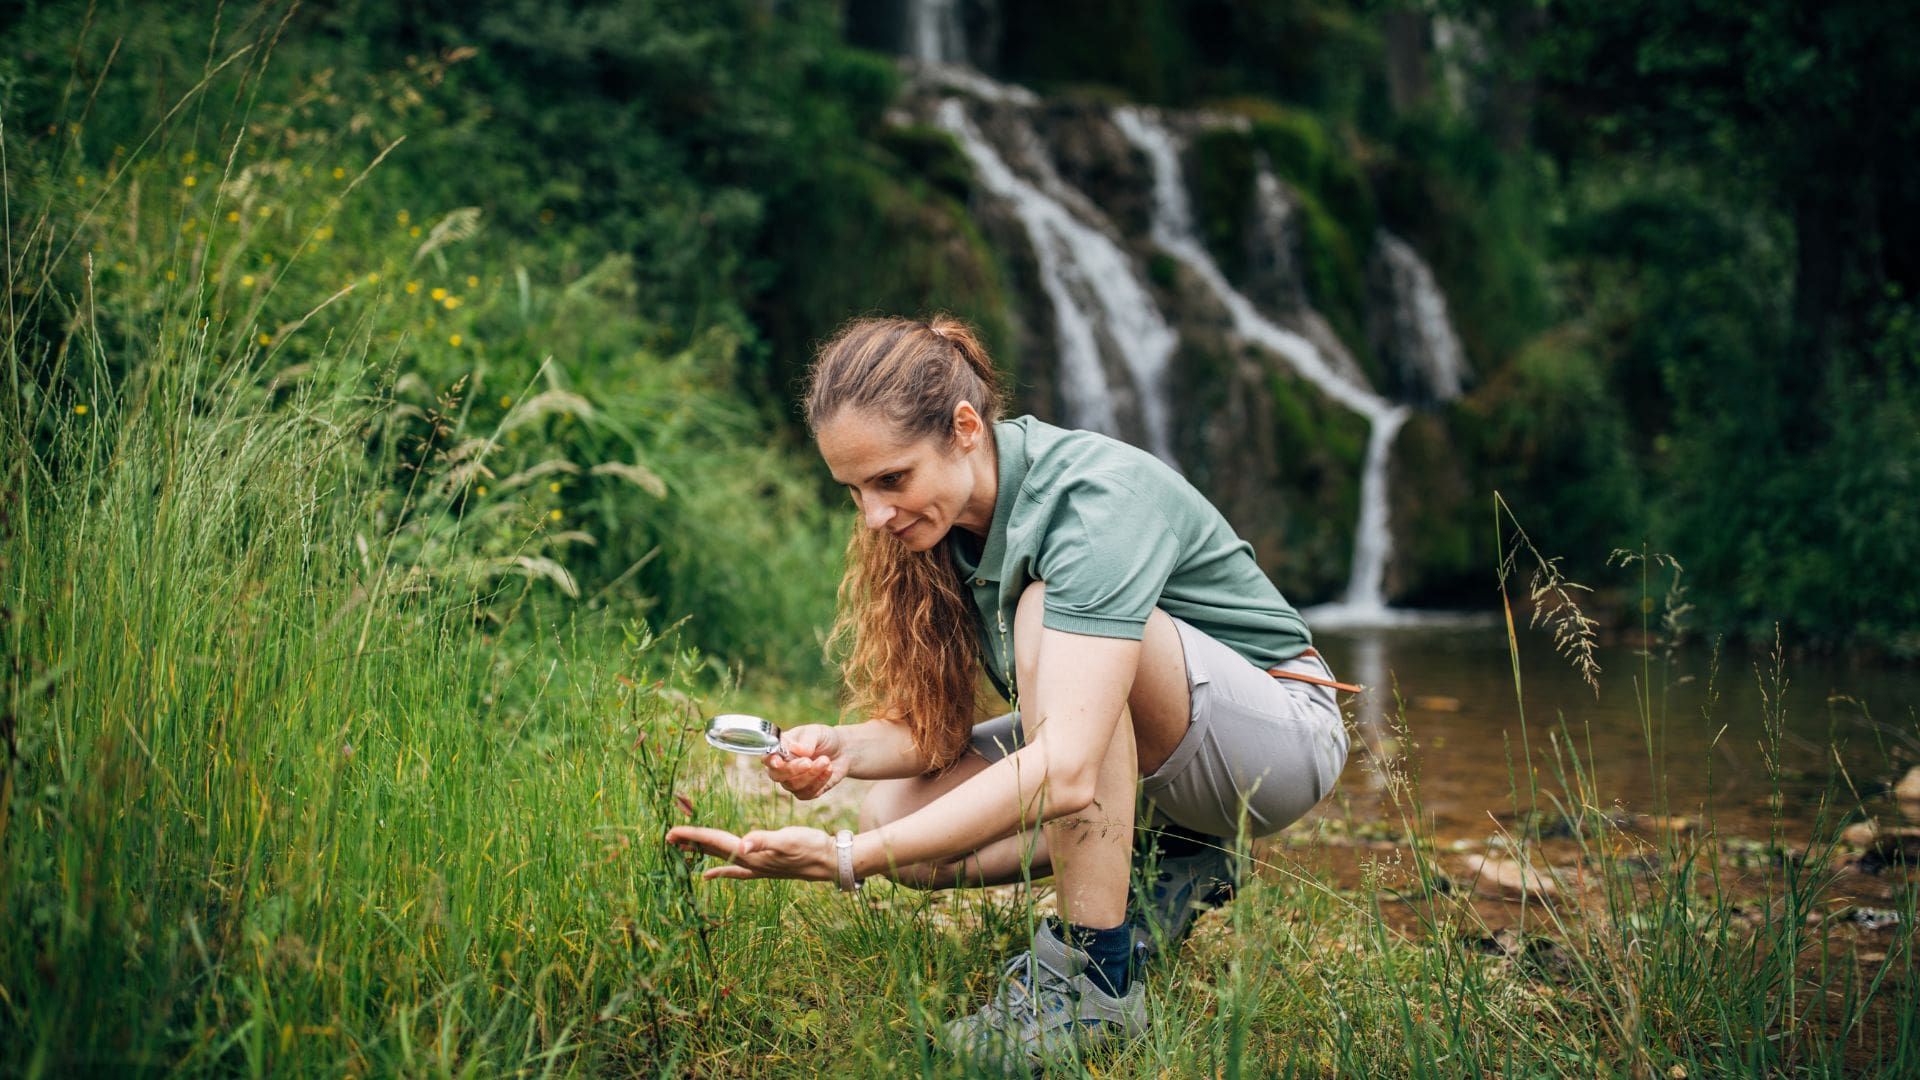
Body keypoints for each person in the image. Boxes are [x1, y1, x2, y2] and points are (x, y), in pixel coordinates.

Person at [667, 315, 1351, 1071]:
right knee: (897, 814)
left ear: (965, 428)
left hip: (1276, 739)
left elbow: (1062, 769)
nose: (874, 514)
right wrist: (840, 748)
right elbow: (934, 735)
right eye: (855, 490)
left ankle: (1095, 981)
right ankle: (1175, 855)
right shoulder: (938, 524)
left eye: (892, 479)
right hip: (1150, 757)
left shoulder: (1090, 502)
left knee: (1043, 612)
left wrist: (847, 860)